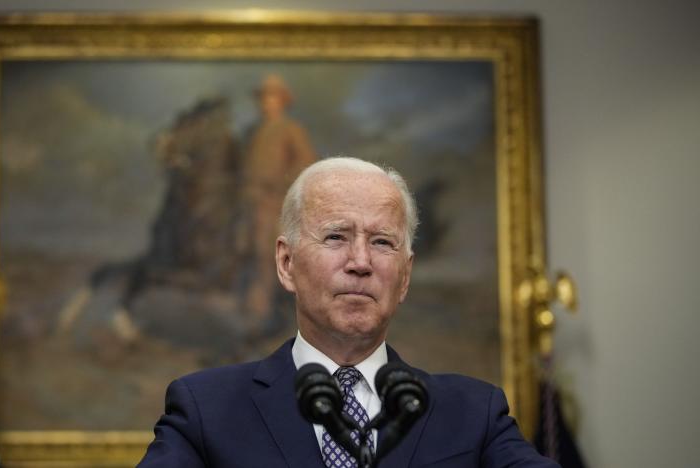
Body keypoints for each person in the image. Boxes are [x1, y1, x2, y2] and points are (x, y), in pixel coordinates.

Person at [137, 157, 559, 467]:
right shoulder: (206, 410)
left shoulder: (473, 414)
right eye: (336, 237)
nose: (361, 261)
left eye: (381, 242)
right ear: (286, 264)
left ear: (405, 277)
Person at [238, 74, 316, 337]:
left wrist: (278, 184)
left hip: (274, 204)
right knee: (246, 253)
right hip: (248, 203)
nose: (266, 103)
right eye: (263, 97)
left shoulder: (291, 130)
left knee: (267, 256)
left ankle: (260, 317)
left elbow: (305, 165)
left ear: (282, 101)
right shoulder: (252, 132)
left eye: (272, 97)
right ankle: (249, 311)